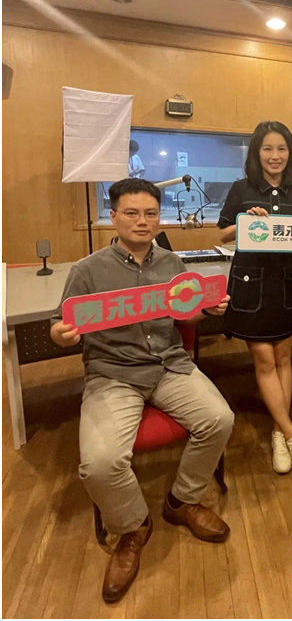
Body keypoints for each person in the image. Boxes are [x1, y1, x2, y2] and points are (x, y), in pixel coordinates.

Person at [50, 178, 234, 603]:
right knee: (99, 464)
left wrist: (206, 310)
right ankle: (132, 527)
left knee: (220, 419)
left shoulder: (172, 263)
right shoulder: (87, 270)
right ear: (113, 216)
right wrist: (62, 335)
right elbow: (61, 326)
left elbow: (186, 317)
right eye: (131, 213)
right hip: (112, 373)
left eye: (150, 213)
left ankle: (182, 501)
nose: (142, 221)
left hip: (168, 364)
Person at [217, 121, 292, 478]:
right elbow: (223, 234)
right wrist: (244, 221)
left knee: (283, 356)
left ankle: (279, 430)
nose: (275, 155)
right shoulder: (242, 188)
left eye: (282, 148)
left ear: (290, 154)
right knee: (264, 359)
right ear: (257, 153)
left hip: (285, 283)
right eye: (268, 148)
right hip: (251, 285)